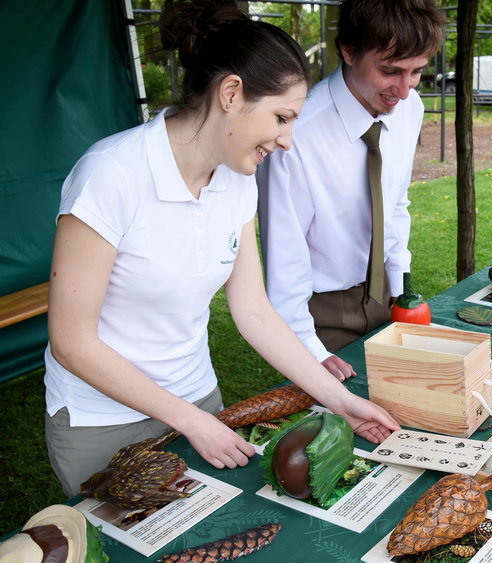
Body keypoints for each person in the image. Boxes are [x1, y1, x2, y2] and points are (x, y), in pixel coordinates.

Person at [43, 0, 398, 497]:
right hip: (104, 421)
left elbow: (253, 310)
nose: (287, 139)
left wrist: (339, 400)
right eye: (281, 117)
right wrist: (190, 421)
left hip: (198, 402)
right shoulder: (110, 174)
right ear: (231, 93)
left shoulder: (237, 180)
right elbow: (72, 341)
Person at [256, 0, 446, 381]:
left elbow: (394, 203)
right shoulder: (296, 132)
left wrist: (400, 284)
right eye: (390, 71)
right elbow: (284, 251)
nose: (404, 91)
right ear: (348, 50)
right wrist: (306, 347)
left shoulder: (410, 109)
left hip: (387, 295)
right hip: (320, 314)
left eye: (417, 73)